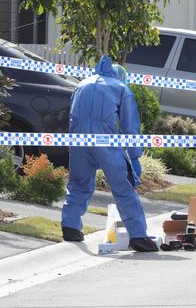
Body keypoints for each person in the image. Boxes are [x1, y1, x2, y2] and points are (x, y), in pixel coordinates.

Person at [60, 55, 157, 252]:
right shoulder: (121, 88)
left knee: (78, 183)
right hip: (106, 141)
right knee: (123, 187)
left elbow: (72, 115)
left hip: (78, 141)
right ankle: (138, 236)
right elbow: (130, 126)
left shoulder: (82, 85)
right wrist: (135, 156)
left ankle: (70, 226)